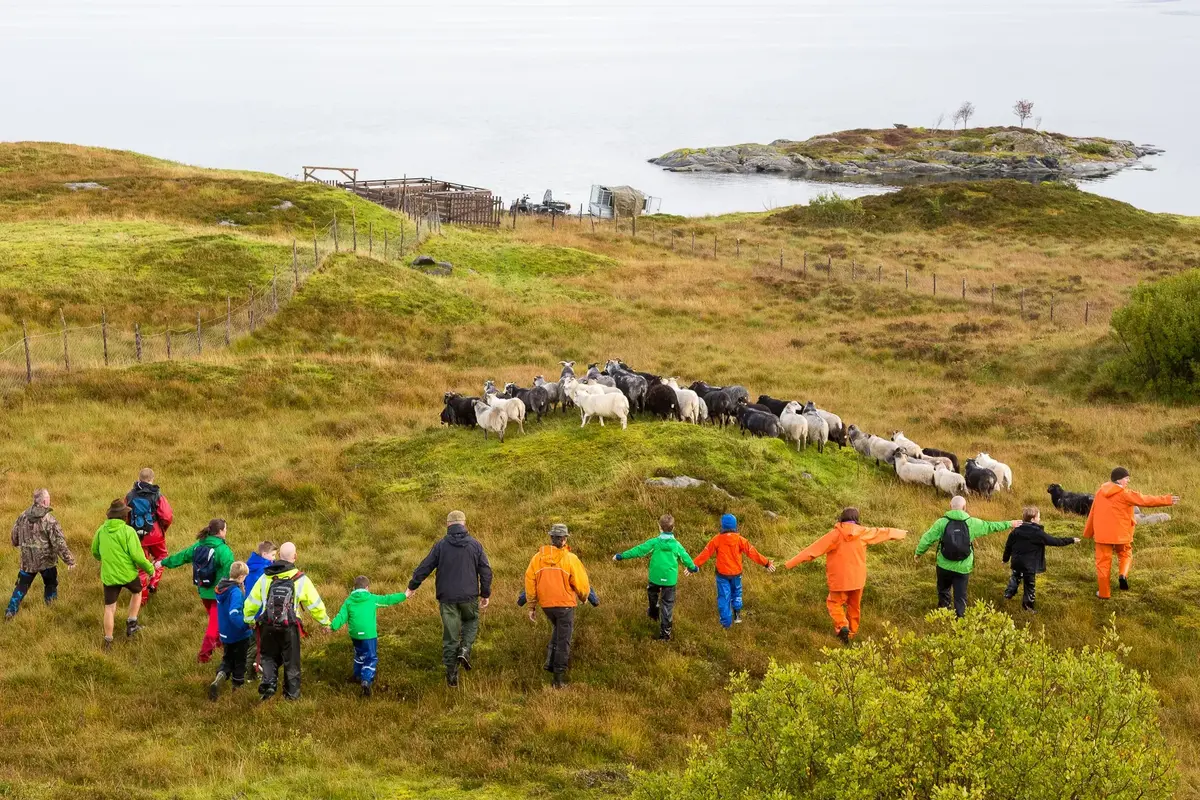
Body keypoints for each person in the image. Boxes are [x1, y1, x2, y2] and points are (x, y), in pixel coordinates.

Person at [786, 508, 907, 643]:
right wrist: (901, 533)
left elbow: (812, 551)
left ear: (841, 518)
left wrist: (789, 564)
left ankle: (842, 625)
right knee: (854, 606)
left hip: (839, 580)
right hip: (858, 580)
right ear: (856, 519)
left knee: (834, 603)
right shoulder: (864, 533)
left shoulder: (834, 535)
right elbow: (883, 532)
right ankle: (851, 634)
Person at [408, 510, 493, 688]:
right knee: (471, 621)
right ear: (464, 524)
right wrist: (485, 594)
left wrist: (412, 586)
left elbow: (425, 566)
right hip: (469, 596)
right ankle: (465, 649)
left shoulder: (440, 546)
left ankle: (451, 675)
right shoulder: (475, 545)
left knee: (450, 636)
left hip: (447, 598)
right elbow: (486, 570)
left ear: (448, 525)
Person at [242, 541, 331, 701]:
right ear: (295, 556)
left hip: (267, 625)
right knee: (292, 662)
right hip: (290, 627)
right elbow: (315, 605)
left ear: (278, 558)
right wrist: (325, 622)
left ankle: (268, 684)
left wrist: (249, 619)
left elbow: (251, 602)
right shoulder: (301, 579)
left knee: (268, 657)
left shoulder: (265, 577)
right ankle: (291, 696)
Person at [914, 496, 1018, 618]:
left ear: (950, 506)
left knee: (943, 590)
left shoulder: (941, 523)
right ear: (965, 507)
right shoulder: (972, 523)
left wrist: (918, 553)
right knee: (960, 595)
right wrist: (1010, 523)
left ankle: (943, 614)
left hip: (943, 565)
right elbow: (991, 526)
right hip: (963, 567)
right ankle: (960, 620)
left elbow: (927, 538)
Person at [1084, 467, 1179, 599]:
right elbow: (1145, 500)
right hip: (1121, 534)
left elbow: (1093, 512)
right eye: (1126, 478)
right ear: (1119, 479)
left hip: (1102, 535)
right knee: (1125, 554)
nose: (1128, 480)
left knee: (1103, 563)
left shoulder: (1100, 492)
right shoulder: (1125, 493)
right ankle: (1123, 575)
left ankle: (1104, 593)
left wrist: (1088, 532)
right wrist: (1167, 500)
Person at [157, 519, 235, 663]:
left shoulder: (198, 546)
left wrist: (162, 562)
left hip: (203, 592)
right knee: (214, 626)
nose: (226, 532)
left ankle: (220, 644)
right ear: (220, 532)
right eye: (225, 529)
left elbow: (182, 557)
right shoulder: (223, 550)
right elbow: (229, 571)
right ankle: (203, 657)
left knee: (217, 621)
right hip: (218, 594)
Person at [524, 523, 591, 688]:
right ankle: (558, 680)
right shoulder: (570, 558)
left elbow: (530, 582)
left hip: (546, 606)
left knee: (557, 631)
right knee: (563, 640)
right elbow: (581, 583)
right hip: (565, 606)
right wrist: (584, 597)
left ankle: (550, 663)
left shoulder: (537, 558)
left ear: (551, 538)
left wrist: (532, 606)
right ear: (564, 539)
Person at [613, 514, 698, 641]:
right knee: (667, 605)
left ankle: (653, 613)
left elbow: (639, 550)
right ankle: (665, 635)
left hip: (655, 578)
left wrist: (621, 556)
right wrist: (693, 568)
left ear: (660, 527)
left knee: (652, 594)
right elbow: (686, 558)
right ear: (673, 528)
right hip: (669, 580)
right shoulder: (677, 545)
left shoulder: (654, 542)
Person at [90, 498, 155, 650]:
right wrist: (150, 569)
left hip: (109, 576)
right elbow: (138, 556)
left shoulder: (101, 530)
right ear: (124, 516)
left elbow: (95, 551)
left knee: (109, 608)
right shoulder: (128, 531)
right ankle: (132, 624)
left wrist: (104, 559)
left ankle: (108, 641)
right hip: (128, 574)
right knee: (137, 592)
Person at [330, 575, 409, 697]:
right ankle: (366, 680)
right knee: (371, 657)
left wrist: (332, 627)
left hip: (355, 634)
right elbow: (388, 599)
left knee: (359, 654)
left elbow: (341, 616)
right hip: (369, 634)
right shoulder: (371, 598)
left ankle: (357, 675)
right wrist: (404, 595)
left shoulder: (349, 601)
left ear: (353, 587)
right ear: (367, 588)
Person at [692, 513, 775, 628]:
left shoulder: (716, 540)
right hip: (736, 574)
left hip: (722, 575)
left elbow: (705, 554)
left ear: (722, 526)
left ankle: (726, 625)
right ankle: (737, 615)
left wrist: (693, 565)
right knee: (737, 593)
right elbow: (753, 553)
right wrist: (766, 563)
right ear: (735, 526)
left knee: (724, 598)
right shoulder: (741, 540)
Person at [7, 488, 75, 621]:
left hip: (27, 562)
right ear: (44, 501)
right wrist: (70, 560)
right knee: (50, 584)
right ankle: (51, 610)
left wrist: (20, 545)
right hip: (47, 562)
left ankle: (10, 610)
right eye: (48, 498)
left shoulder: (22, 516)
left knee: (21, 586)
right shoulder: (49, 520)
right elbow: (59, 543)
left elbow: (14, 537)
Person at [1002, 506, 1080, 613]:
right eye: (1038, 517)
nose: (1040, 519)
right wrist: (1071, 540)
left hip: (1017, 562)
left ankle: (1008, 594)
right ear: (1033, 519)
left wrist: (1005, 559)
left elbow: (1008, 546)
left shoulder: (1016, 531)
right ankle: (1028, 608)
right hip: (1029, 565)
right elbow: (1055, 541)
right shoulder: (1037, 533)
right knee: (1029, 586)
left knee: (1015, 577)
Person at [125, 468, 174, 604]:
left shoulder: (130, 495)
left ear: (139, 478)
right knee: (162, 557)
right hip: (156, 535)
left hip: (137, 537)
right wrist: (162, 528)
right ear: (152, 479)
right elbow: (167, 516)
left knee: (141, 568)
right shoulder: (157, 495)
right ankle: (154, 582)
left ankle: (142, 599)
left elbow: (125, 516)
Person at [210, 561, 254, 700]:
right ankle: (237, 687)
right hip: (238, 634)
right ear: (241, 576)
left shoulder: (221, 587)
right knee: (240, 660)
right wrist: (245, 626)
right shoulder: (235, 592)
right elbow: (234, 614)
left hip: (225, 633)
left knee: (227, 658)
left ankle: (219, 677)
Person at [245, 540, 277, 676]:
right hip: (260, 613)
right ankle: (251, 673)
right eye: (273, 555)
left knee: (255, 643)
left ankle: (253, 671)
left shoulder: (250, 566)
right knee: (257, 645)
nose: (275, 558)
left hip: (251, 611)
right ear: (264, 554)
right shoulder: (263, 571)